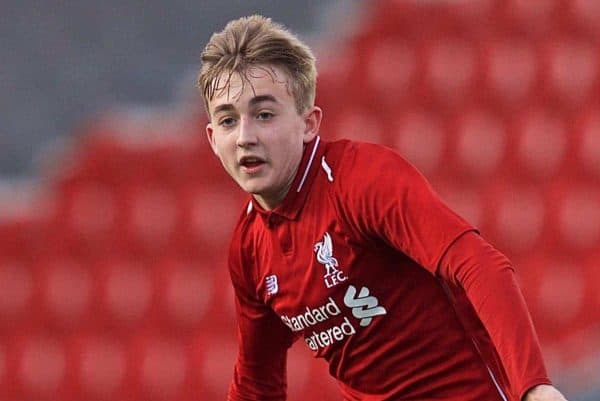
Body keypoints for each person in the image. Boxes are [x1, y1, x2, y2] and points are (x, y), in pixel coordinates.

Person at [197, 15, 569, 401]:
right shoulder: (249, 248)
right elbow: (257, 382)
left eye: (264, 115)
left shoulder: (361, 180)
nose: (245, 137)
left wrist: (534, 386)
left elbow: (478, 264)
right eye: (227, 120)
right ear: (212, 138)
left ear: (309, 125)